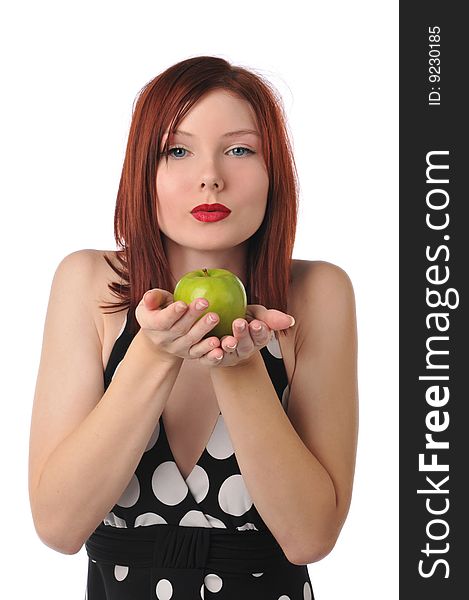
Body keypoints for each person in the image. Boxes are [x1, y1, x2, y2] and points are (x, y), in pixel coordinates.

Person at [28, 55, 358, 599]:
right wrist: (156, 353)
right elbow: (58, 527)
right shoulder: (88, 283)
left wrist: (238, 365)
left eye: (240, 149)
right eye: (177, 150)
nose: (211, 176)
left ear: (275, 173)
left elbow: (309, 537)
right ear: (144, 171)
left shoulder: (319, 294)